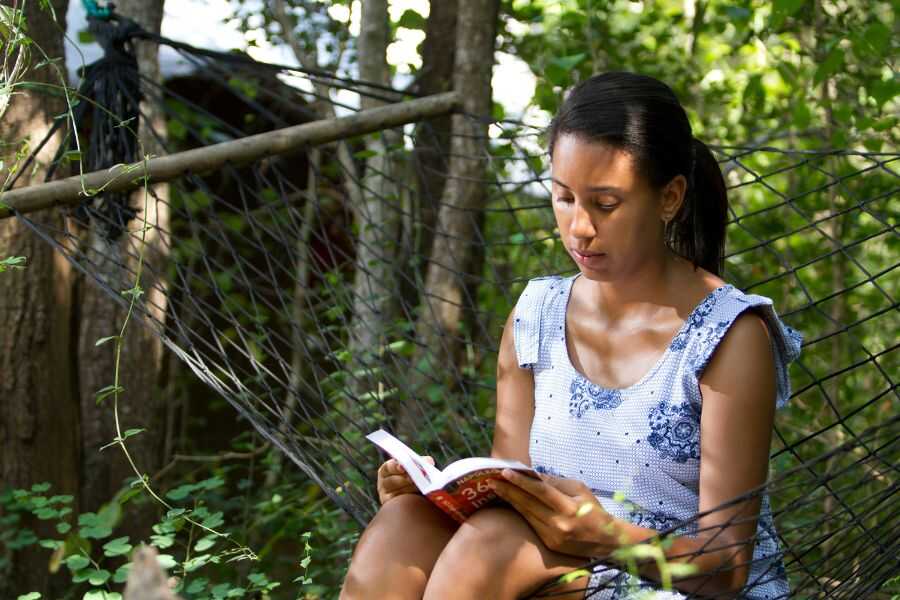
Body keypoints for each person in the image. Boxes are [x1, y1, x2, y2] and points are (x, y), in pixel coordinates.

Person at [339, 71, 802, 600]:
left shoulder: (727, 336)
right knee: (401, 527)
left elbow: (727, 568)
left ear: (670, 197)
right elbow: (511, 485)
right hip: (557, 561)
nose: (580, 227)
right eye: (563, 198)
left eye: (605, 204)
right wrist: (441, 496)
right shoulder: (537, 315)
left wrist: (604, 538)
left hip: (671, 581)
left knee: (488, 549)